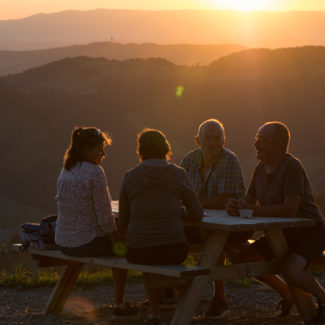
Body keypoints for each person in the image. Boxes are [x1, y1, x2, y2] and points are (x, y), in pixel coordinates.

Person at [226, 121, 325, 322]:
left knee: (291, 270)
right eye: (256, 140)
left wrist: (252, 210)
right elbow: (248, 200)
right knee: (244, 258)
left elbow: (290, 210)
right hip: (282, 233)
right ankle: (287, 294)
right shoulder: (260, 169)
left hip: (311, 231)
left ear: (278, 144)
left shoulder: (291, 167)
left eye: (261, 141)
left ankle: (322, 299)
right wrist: (236, 205)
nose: (256, 145)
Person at [119, 128, 204, 325]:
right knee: (163, 249)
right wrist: (176, 210)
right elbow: (197, 214)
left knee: (148, 256)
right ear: (166, 149)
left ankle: (154, 314)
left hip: (137, 251)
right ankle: (181, 304)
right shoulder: (178, 174)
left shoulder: (130, 177)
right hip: (173, 250)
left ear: (140, 151)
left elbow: (123, 221)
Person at [55, 126, 138, 320]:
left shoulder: (66, 170)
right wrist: (116, 238)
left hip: (63, 240)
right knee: (125, 245)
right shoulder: (95, 172)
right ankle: (120, 305)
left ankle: (122, 304)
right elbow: (104, 216)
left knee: (119, 238)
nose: (103, 154)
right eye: (99, 149)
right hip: (85, 242)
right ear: (86, 149)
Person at [180, 118, 247, 319]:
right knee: (167, 232)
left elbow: (224, 199)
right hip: (197, 221)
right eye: (207, 138)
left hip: (231, 225)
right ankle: (171, 288)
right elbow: (180, 193)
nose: (212, 143)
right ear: (197, 140)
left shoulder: (229, 160)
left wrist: (194, 203)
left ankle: (220, 298)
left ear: (223, 142)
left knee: (214, 238)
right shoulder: (188, 160)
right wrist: (193, 204)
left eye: (217, 138)